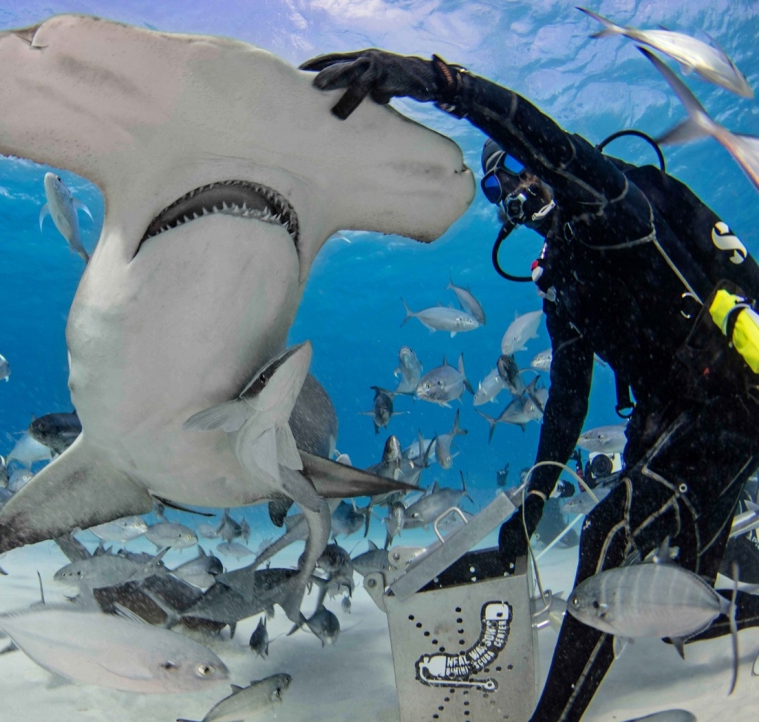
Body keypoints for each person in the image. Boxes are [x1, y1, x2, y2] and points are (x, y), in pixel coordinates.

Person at [299, 49, 759, 720]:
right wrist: (533, 503)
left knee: (612, 529)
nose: (513, 192)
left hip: (734, 396)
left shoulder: (615, 204)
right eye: (496, 191)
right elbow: (567, 397)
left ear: (541, 164)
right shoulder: (561, 281)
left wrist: (439, 84)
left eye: (515, 170)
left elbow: (543, 134)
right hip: (670, 418)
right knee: (678, 608)